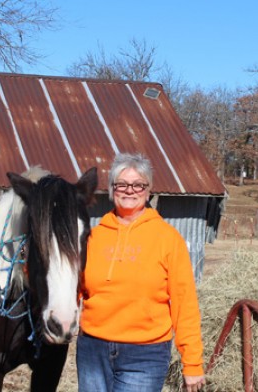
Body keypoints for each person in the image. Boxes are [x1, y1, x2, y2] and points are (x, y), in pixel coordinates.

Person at [77, 152, 206, 392]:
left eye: (138, 185)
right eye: (122, 184)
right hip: (93, 349)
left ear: (148, 191)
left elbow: (184, 303)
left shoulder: (167, 238)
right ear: (111, 189)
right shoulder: (93, 237)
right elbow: (73, 288)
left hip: (145, 354)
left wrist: (192, 363)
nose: (129, 190)